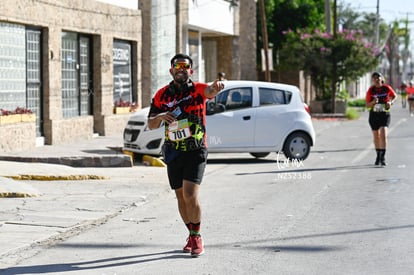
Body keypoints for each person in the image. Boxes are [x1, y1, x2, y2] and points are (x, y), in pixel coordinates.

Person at [147, 53, 224, 257]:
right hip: (173, 150)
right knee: (180, 196)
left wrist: (215, 89)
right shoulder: (161, 95)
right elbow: (150, 123)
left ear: (191, 71)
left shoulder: (198, 89)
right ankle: (190, 233)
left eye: (185, 66)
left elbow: (210, 91)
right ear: (171, 70)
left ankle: (197, 236)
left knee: (190, 194)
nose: (181, 69)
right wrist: (161, 116)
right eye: (177, 66)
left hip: (196, 149)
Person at [365, 72, 397, 166]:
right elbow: (367, 105)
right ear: (373, 80)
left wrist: (391, 102)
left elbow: (394, 96)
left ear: (381, 79)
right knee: (376, 136)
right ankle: (378, 155)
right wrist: (373, 102)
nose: (376, 80)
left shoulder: (386, 88)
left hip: (384, 114)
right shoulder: (371, 90)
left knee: (383, 134)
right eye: (374, 78)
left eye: (378, 78)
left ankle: (383, 157)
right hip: (374, 115)